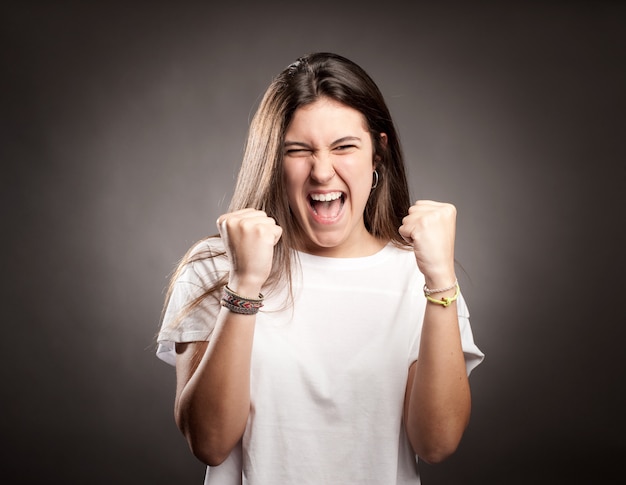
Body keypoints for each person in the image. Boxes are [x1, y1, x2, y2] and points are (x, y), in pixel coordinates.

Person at [156, 52, 484, 484]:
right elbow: (210, 442)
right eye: (299, 151)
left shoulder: (420, 275)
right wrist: (245, 284)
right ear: (274, 161)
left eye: (344, 146)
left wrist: (441, 280)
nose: (322, 172)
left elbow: (436, 443)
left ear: (378, 154)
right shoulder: (216, 267)